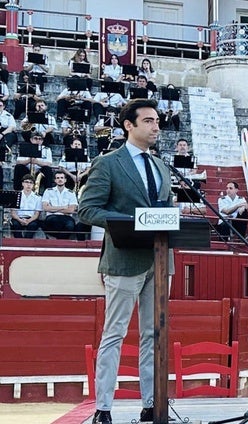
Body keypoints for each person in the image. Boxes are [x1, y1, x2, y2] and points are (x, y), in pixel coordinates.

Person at [78, 99, 173, 424]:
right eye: (148, 121)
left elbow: (165, 213)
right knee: (114, 333)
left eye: (157, 121)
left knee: (154, 335)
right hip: (123, 258)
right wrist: (133, 220)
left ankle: (151, 404)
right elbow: (87, 209)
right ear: (128, 125)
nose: (155, 126)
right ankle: (103, 407)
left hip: (160, 262)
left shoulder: (162, 167)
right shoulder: (108, 163)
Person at [41, 170, 79, 239]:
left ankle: (57, 240)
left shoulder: (71, 193)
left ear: (65, 180)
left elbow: (71, 210)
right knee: (53, 222)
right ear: (55, 180)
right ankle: (61, 241)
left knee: (70, 226)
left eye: (62, 178)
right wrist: (64, 207)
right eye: (58, 178)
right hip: (52, 217)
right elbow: (45, 208)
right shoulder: (48, 191)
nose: (60, 180)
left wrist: (53, 208)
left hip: (66, 218)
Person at [10, 174, 42, 239]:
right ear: (22, 183)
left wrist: (28, 221)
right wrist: (20, 220)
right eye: (26, 182)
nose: (28, 184)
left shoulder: (38, 197)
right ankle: (19, 243)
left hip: (31, 219)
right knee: (15, 225)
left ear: (33, 185)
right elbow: (13, 213)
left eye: (31, 183)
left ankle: (27, 243)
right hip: (18, 218)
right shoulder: (15, 196)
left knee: (33, 225)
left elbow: (36, 214)